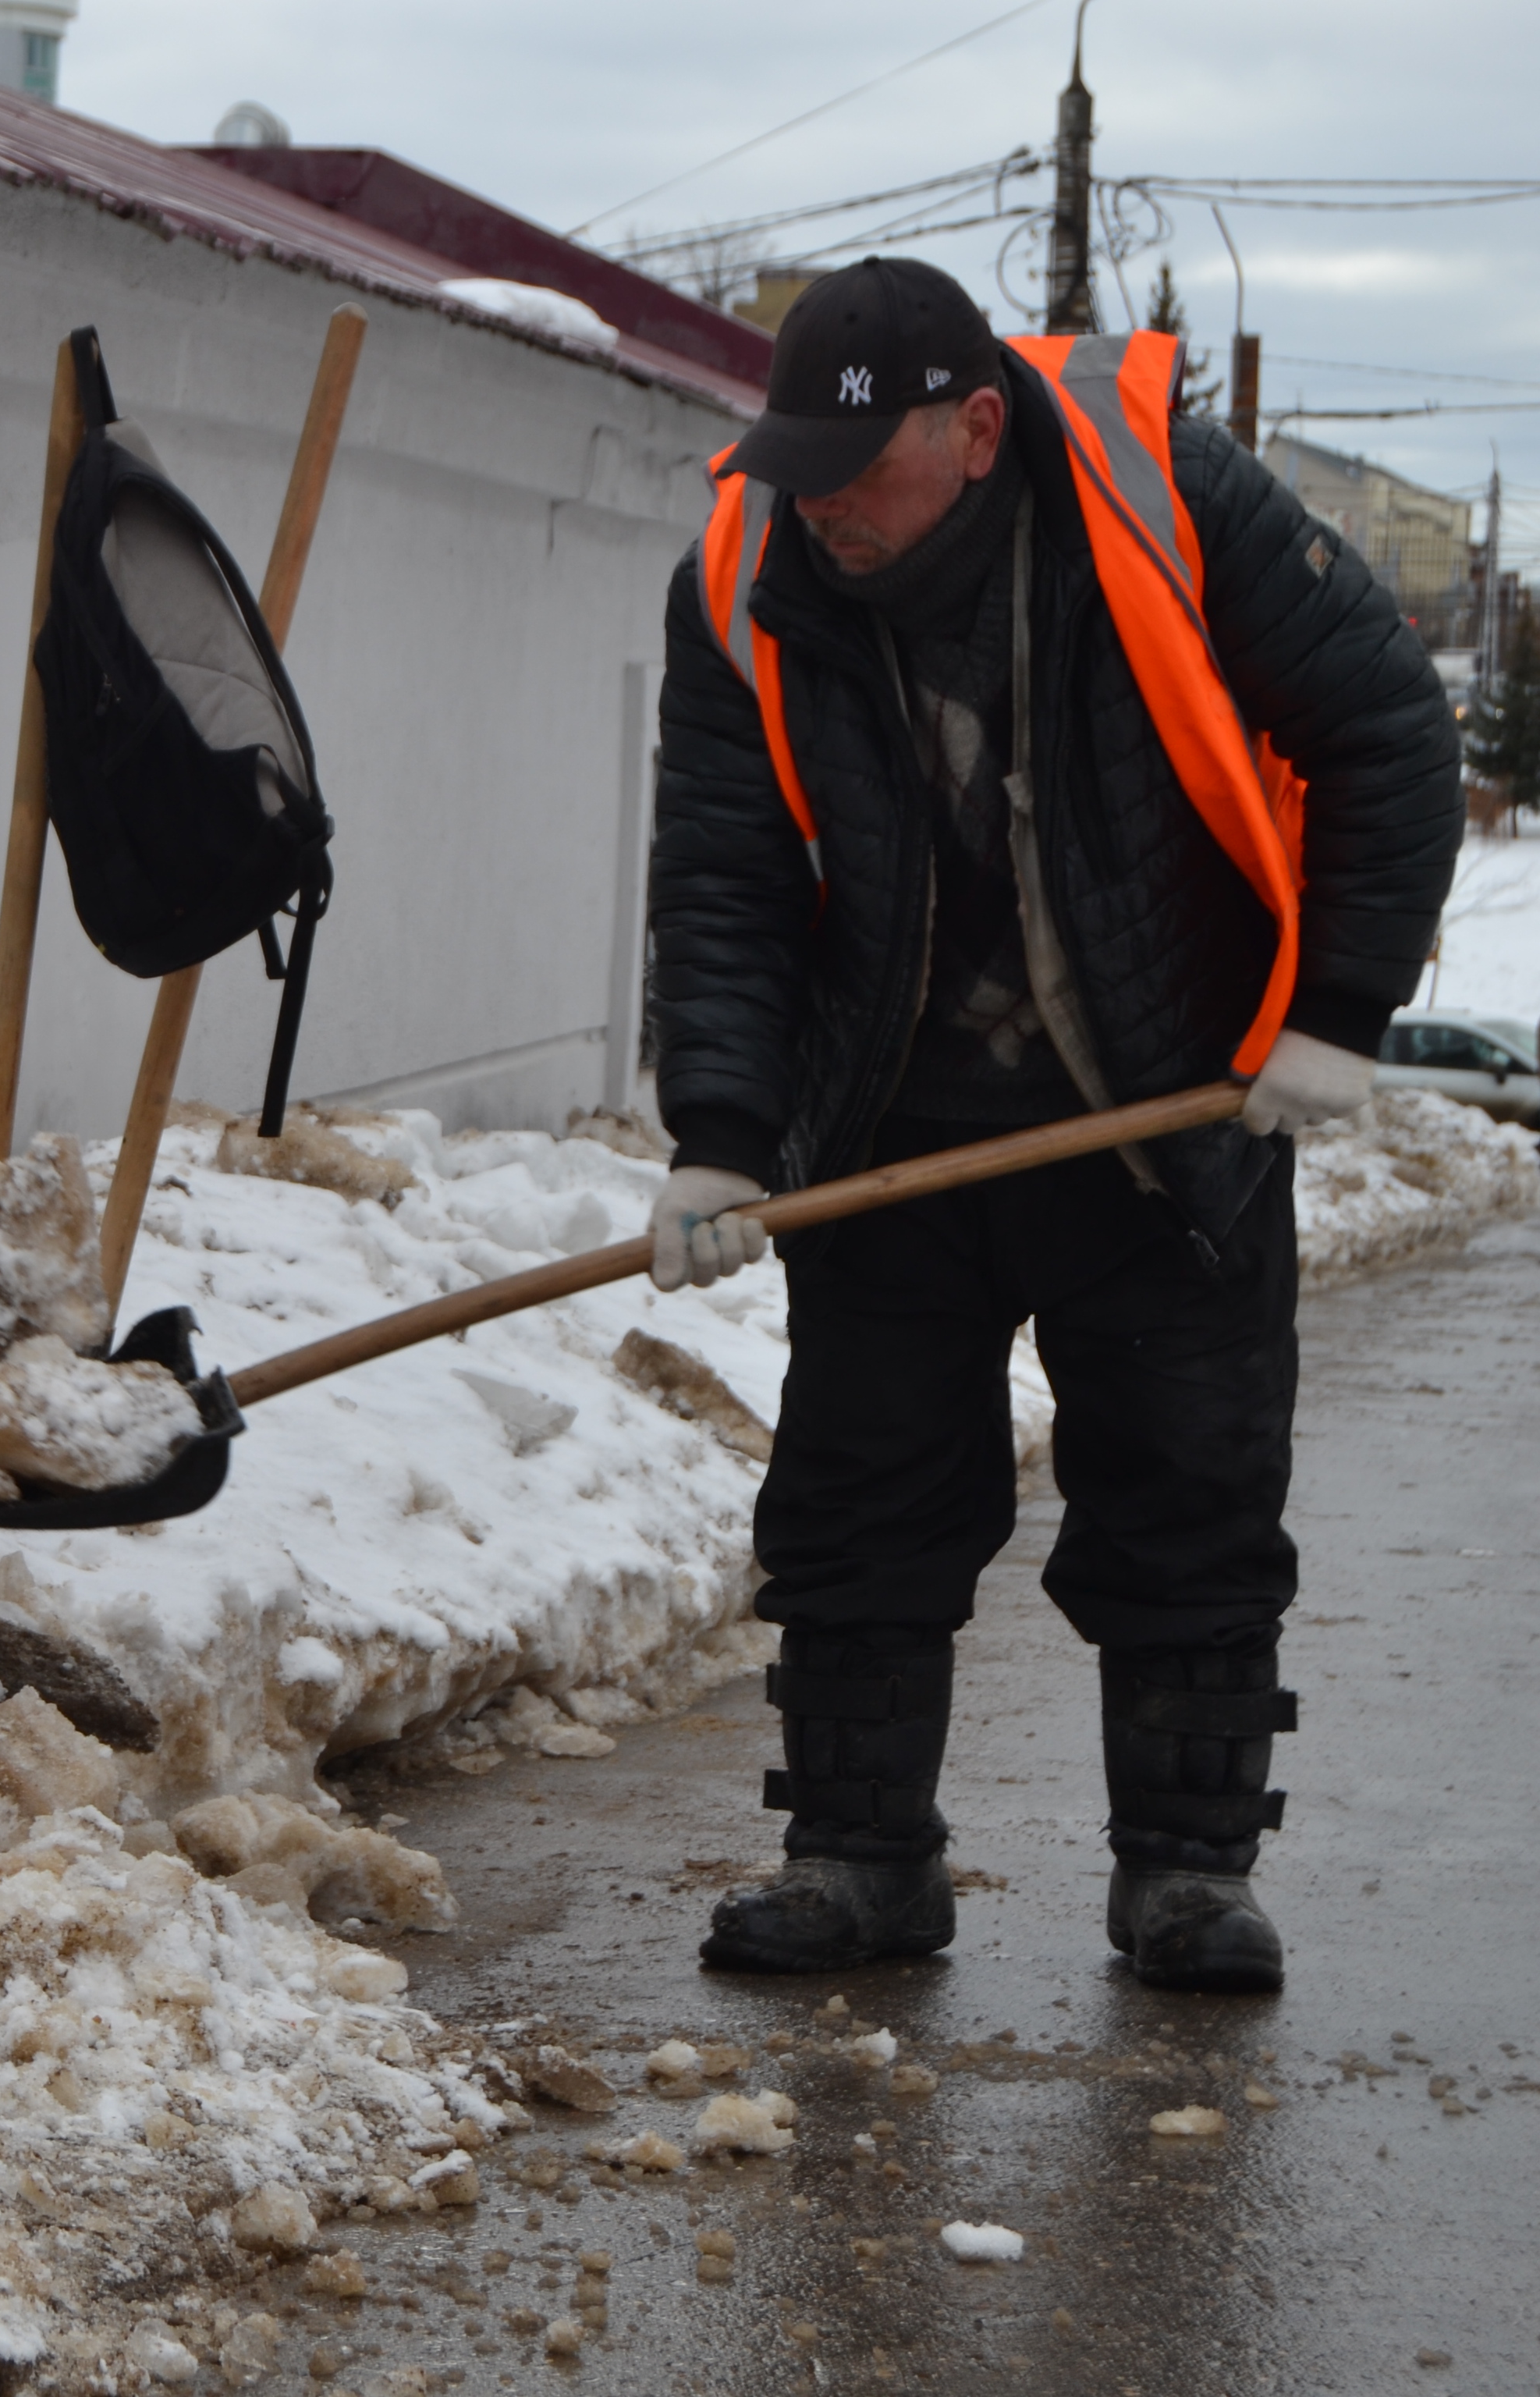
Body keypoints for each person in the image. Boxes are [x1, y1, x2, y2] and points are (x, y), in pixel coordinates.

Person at [644, 257, 1461, 1991]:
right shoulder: (746, 570)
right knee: (860, 1491)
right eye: (798, 465)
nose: (821, 507)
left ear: (980, 428)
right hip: (892, 1119)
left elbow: (1388, 727)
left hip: (1163, 1102)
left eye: (857, 472)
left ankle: (1186, 1874)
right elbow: (721, 873)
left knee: (1190, 1485)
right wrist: (721, 1130)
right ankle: (862, 1860)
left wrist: (1332, 1016)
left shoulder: (1163, 502)